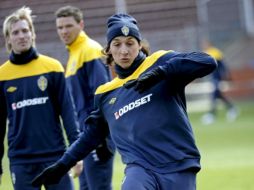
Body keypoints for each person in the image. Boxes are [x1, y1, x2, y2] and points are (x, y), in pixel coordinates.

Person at [32, 13, 217, 190]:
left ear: (139, 45)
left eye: (130, 43)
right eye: (117, 44)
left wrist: (161, 73)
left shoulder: (159, 61)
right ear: (109, 50)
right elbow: (91, 135)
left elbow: (207, 61)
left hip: (178, 164)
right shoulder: (105, 93)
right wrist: (63, 165)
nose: (124, 50)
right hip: (139, 169)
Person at [0, 6, 81, 190]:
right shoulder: (2, 76)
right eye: (16, 32)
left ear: (32, 34)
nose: (21, 35)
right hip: (21, 162)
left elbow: (68, 113)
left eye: (25, 30)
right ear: (9, 39)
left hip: (56, 157)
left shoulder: (52, 68)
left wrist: (75, 153)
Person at [54, 6, 115, 190]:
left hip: (96, 137)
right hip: (85, 138)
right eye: (60, 27)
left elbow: (102, 95)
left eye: (68, 26)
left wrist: (102, 139)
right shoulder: (74, 53)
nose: (64, 31)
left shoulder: (90, 50)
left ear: (81, 24)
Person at [200, 40, 238, 125]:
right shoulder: (206, 52)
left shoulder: (215, 52)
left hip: (218, 77)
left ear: (209, 44)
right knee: (218, 94)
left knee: (214, 95)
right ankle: (232, 108)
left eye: (205, 44)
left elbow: (223, 65)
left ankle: (211, 114)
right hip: (212, 77)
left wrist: (226, 75)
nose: (203, 45)